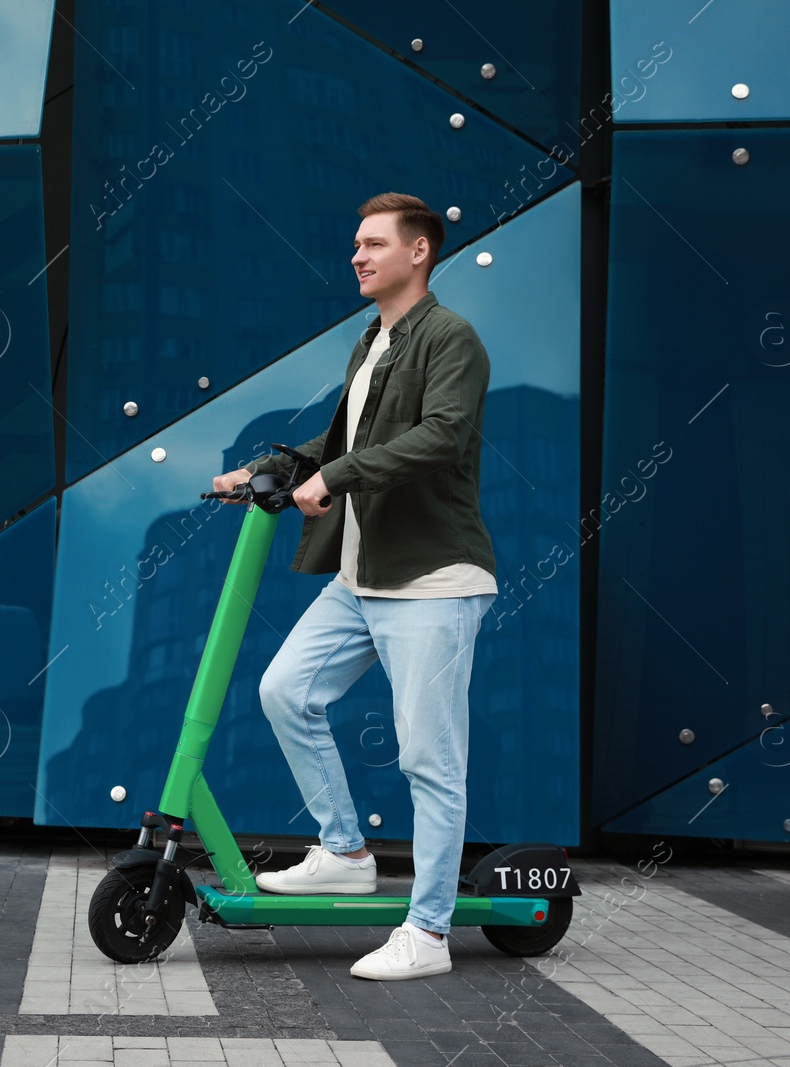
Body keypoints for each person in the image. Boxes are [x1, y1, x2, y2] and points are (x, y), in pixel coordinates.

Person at [210, 192, 496, 980]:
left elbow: (439, 438)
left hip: (434, 581)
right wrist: (267, 470)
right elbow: (341, 439)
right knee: (285, 691)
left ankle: (429, 933)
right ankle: (343, 849)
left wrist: (335, 476)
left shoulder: (451, 339)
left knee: (428, 760)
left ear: (420, 253)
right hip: (363, 578)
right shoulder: (373, 340)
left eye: (374, 244)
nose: (358, 257)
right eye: (356, 245)